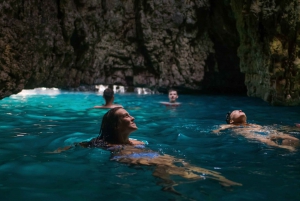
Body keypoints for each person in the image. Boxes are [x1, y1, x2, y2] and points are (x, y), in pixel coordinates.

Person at [51, 107, 241, 195]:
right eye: (126, 116)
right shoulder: (104, 143)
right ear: (116, 126)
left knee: (177, 162)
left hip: (141, 154)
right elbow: (80, 144)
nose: (132, 117)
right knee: (160, 163)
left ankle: (219, 179)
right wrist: (60, 150)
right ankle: (172, 191)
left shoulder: (138, 141)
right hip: (124, 158)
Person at [213, 110, 300, 151]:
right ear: (231, 121)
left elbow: (271, 128)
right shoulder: (232, 126)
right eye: (236, 111)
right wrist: (217, 131)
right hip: (253, 135)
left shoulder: (253, 124)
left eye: (241, 110)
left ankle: (292, 144)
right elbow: (221, 128)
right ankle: (283, 147)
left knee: (291, 138)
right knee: (265, 140)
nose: (240, 110)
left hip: (268, 132)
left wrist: (293, 128)